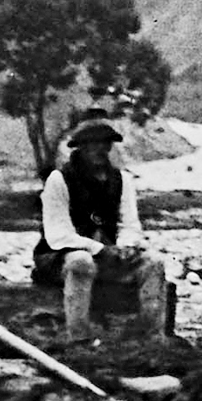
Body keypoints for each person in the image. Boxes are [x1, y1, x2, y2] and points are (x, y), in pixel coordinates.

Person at [35, 115, 171, 340]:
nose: (99, 149)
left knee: (153, 263)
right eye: (93, 144)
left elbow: (129, 224)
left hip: (109, 256)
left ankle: (153, 337)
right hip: (59, 258)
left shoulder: (122, 181)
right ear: (81, 148)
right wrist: (98, 249)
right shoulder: (59, 180)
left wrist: (126, 246)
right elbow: (58, 235)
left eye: (104, 144)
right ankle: (79, 339)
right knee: (81, 262)